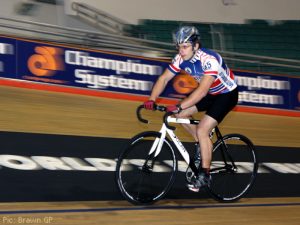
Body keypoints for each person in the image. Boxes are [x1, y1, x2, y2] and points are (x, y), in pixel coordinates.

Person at [143, 26, 239, 192]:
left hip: (226, 95)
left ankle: (205, 175)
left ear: (196, 46)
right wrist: (152, 99)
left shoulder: (209, 60)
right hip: (210, 93)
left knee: (202, 129)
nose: (181, 51)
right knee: (177, 115)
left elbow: (201, 92)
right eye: (179, 47)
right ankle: (203, 146)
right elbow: (164, 78)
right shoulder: (180, 58)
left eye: (185, 46)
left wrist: (180, 105)